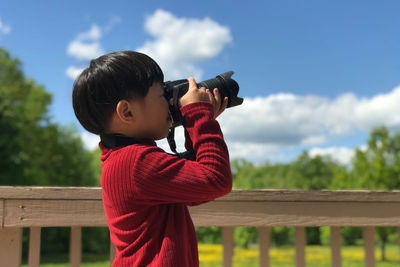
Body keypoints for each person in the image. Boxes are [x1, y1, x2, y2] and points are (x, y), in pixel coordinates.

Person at [72, 51, 232, 266]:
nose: (169, 102)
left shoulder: (124, 158)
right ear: (127, 112)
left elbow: (196, 189)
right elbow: (215, 180)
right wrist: (198, 116)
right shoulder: (135, 162)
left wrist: (194, 121)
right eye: (162, 95)